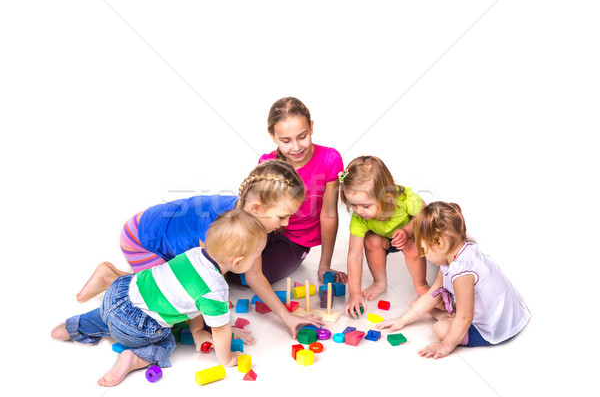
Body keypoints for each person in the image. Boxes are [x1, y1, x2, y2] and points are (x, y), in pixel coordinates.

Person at [76, 160, 323, 337]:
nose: (287, 224)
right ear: (256, 208)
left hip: (159, 237)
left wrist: (287, 316)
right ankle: (111, 276)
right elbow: (199, 280)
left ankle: (114, 276)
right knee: (166, 306)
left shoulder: (251, 225)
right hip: (140, 240)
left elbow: (255, 276)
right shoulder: (218, 227)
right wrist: (216, 327)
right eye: (282, 217)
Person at [51, 209, 267, 387]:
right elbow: (220, 330)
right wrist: (227, 358)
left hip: (118, 292)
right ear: (238, 262)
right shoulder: (216, 289)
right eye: (257, 256)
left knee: (113, 314)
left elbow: (194, 303)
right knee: (166, 341)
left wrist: (197, 331)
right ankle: (134, 358)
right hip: (135, 325)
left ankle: (72, 327)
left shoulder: (193, 253)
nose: (259, 259)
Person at [376, 202, 530, 359]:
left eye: (424, 249)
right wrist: (402, 320)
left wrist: (445, 346)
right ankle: (444, 316)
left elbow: (464, 317)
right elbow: (432, 294)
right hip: (502, 314)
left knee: (440, 329)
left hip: (496, 327)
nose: (423, 255)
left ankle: (445, 318)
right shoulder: (457, 254)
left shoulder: (463, 270)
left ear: (439, 243)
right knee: (432, 306)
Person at [259, 96, 347, 284]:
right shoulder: (266, 162)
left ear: (311, 127)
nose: (297, 147)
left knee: (256, 275)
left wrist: (324, 265)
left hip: (296, 242)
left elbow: (329, 214)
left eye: (302, 136)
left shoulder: (330, 159)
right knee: (233, 262)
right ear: (273, 137)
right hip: (267, 231)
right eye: (286, 141)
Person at [339, 156, 428, 317]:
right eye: (353, 204)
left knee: (412, 248)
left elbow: (425, 214)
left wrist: (408, 231)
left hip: (411, 235)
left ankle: (421, 284)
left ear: (387, 196)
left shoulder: (403, 199)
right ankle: (379, 282)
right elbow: (354, 255)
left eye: (365, 205)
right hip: (384, 240)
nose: (358, 211)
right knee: (371, 240)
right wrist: (354, 293)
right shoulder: (360, 218)